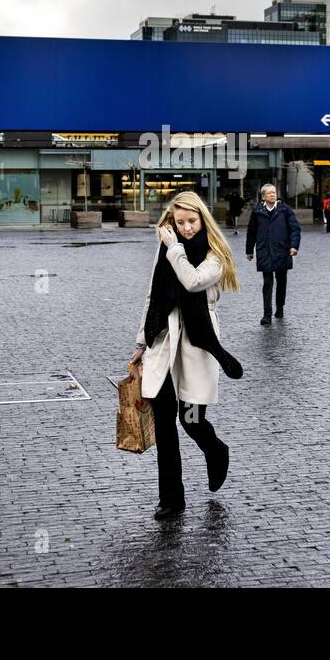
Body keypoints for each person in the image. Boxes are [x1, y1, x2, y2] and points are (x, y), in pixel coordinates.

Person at [130, 190, 242, 521]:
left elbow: (192, 282)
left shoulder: (215, 255)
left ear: (202, 219)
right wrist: (140, 343)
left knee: (191, 420)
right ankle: (171, 498)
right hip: (163, 343)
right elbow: (152, 295)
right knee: (164, 423)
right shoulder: (167, 250)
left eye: (191, 221)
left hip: (197, 344)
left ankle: (215, 449)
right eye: (179, 223)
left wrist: (173, 248)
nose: (186, 228)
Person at [245, 183, 300, 325]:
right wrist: (249, 250)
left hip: (282, 250)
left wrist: (294, 246)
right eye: (269, 193)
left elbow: (295, 229)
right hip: (265, 250)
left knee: (281, 281)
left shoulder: (285, 210)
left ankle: (280, 307)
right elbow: (251, 232)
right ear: (263, 196)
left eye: (274, 192)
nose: (272, 195)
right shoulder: (257, 211)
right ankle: (267, 315)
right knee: (267, 283)